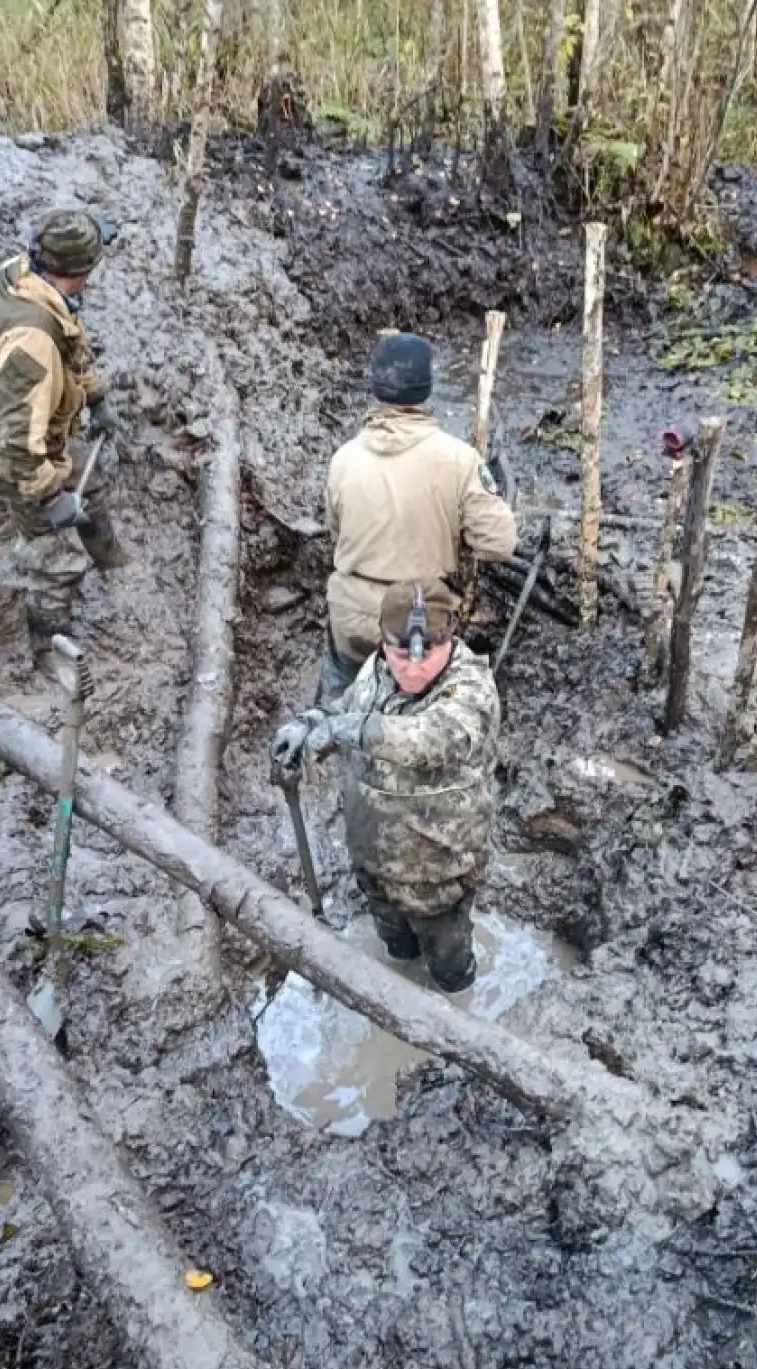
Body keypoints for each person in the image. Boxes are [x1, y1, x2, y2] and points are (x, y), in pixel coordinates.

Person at [273, 579, 500, 994]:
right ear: (382, 643)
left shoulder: (472, 689)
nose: (413, 668)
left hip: (438, 878)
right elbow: (344, 708)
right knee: (396, 953)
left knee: (451, 975)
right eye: (400, 654)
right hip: (374, 864)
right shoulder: (375, 670)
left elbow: (432, 740)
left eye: (427, 654)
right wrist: (307, 725)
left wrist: (347, 729)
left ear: (450, 638)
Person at [0, 208, 126, 673]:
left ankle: (109, 558)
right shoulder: (30, 335)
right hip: (13, 456)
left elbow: (69, 347)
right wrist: (49, 498)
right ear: (76, 272)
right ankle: (49, 652)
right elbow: (15, 438)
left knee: (88, 490)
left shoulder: (25, 275)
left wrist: (96, 397)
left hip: (40, 431)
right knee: (55, 558)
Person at [319, 332, 518, 703]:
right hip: (418, 620)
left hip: (352, 616)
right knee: (419, 712)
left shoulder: (343, 459)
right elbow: (500, 544)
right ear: (427, 389)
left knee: (340, 698)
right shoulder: (458, 460)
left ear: (376, 386)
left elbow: (337, 531)